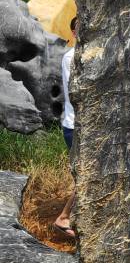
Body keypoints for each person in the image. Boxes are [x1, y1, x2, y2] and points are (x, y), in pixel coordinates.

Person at [53, 16, 77, 235]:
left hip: (77, 125)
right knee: (85, 177)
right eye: (79, 29)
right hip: (74, 126)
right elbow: (76, 94)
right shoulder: (71, 57)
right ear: (73, 33)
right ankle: (63, 217)